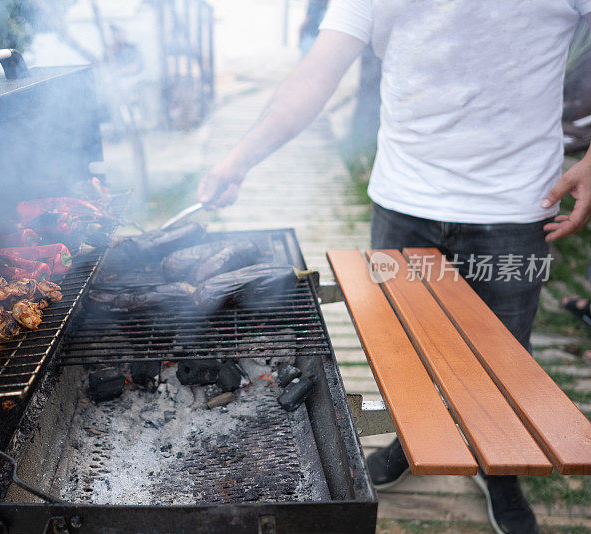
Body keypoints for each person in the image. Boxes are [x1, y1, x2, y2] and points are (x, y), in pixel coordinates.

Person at [197, 2, 591, 533]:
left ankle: (498, 470)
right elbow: (319, 69)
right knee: (399, 355)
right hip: (404, 198)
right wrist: (240, 157)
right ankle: (405, 436)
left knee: (501, 362)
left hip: (515, 206)